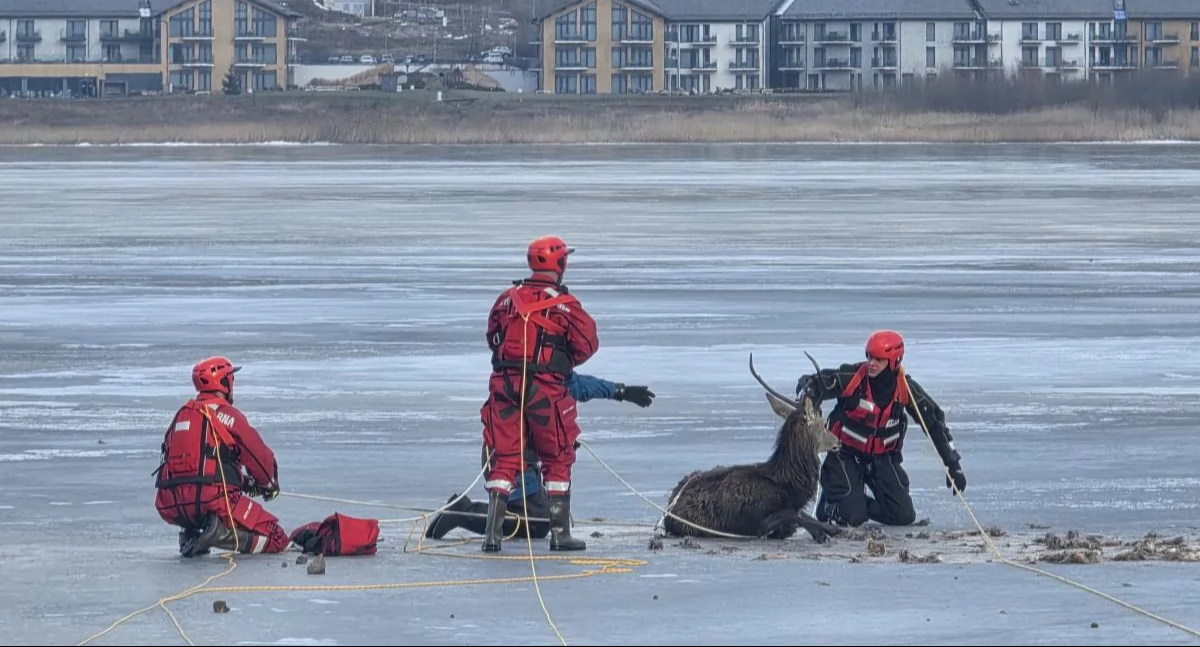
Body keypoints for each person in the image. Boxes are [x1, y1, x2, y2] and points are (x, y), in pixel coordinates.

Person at [425, 372, 655, 541]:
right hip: (509, 459)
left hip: (516, 459)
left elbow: (581, 385)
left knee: (541, 518)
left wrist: (621, 392)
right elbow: (578, 386)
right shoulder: (538, 377)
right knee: (537, 524)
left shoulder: (543, 374)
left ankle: (467, 513)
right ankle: (461, 513)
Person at [479, 235, 600, 553]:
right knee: (557, 458)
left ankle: (492, 537)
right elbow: (587, 344)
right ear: (560, 263)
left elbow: (492, 335)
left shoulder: (507, 298)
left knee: (504, 460)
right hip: (546, 393)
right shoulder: (566, 305)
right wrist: (556, 361)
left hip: (504, 388)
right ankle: (560, 536)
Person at [794, 330, 967, 528]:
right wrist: (811, 387)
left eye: (878, 359)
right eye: (869, 357)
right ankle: (833, 505)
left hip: (882, 459)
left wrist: (953, 465)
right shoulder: (853, 378)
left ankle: (851, 502)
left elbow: (935, 424)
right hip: (844, 455)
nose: (871, 363)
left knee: (903, 516)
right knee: (852, 519)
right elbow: (825, 382)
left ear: (894, 361)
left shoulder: (906, 389)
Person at [153, 356, 291, 557]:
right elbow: (259, 456)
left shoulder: (182, 415)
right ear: (225, 383)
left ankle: (191, 534)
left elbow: (200, 465)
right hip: (213, 500)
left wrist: (243, 483)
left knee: (203, 505)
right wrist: (268, 485)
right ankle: (220, 535)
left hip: (175, 505)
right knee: (276, 538)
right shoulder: (227, 415)